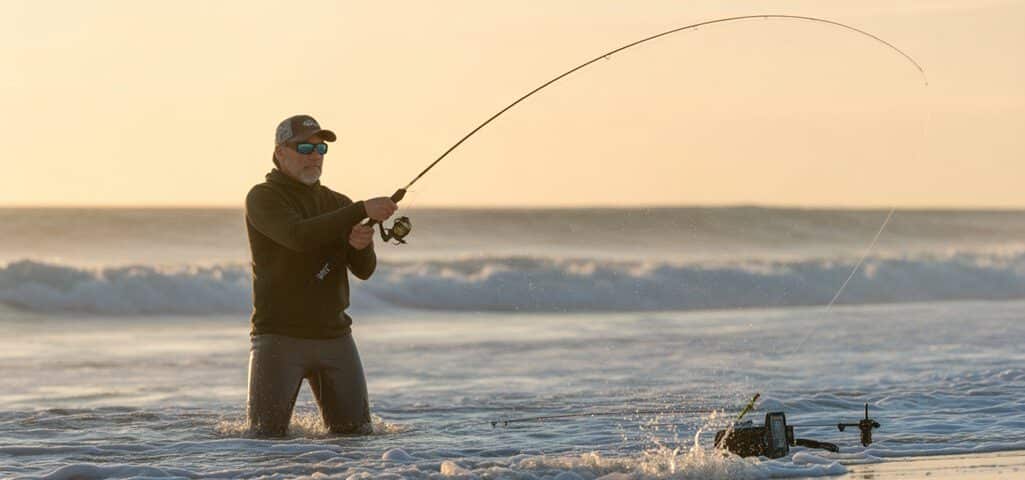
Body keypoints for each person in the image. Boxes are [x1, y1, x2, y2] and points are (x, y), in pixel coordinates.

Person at [243, 114, 397, 436]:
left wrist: (361, 245)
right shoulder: (262, 197)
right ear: (280, 152)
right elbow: (297, 236)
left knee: (357, 436)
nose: (314, 155)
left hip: (335, 338)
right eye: (304, 147)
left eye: (320, 148)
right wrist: (360, 210)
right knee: (263, 440)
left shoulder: (338, 203)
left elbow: (364, 270)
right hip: (279, 339)